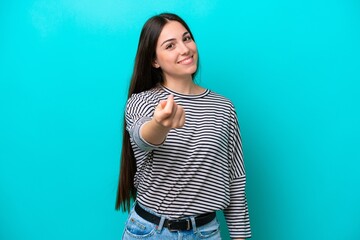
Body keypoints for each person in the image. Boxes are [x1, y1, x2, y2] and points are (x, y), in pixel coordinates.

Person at [115, 13, 251, 240]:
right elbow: (143, 138)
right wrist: (160, 123)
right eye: (170, 45)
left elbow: (235, 179)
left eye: (187, 39)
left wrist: (240, 238)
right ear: (154, 60)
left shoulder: (223, 108)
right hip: (150, 232)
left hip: (205, 232)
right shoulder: (141, 101)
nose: (185, 49)